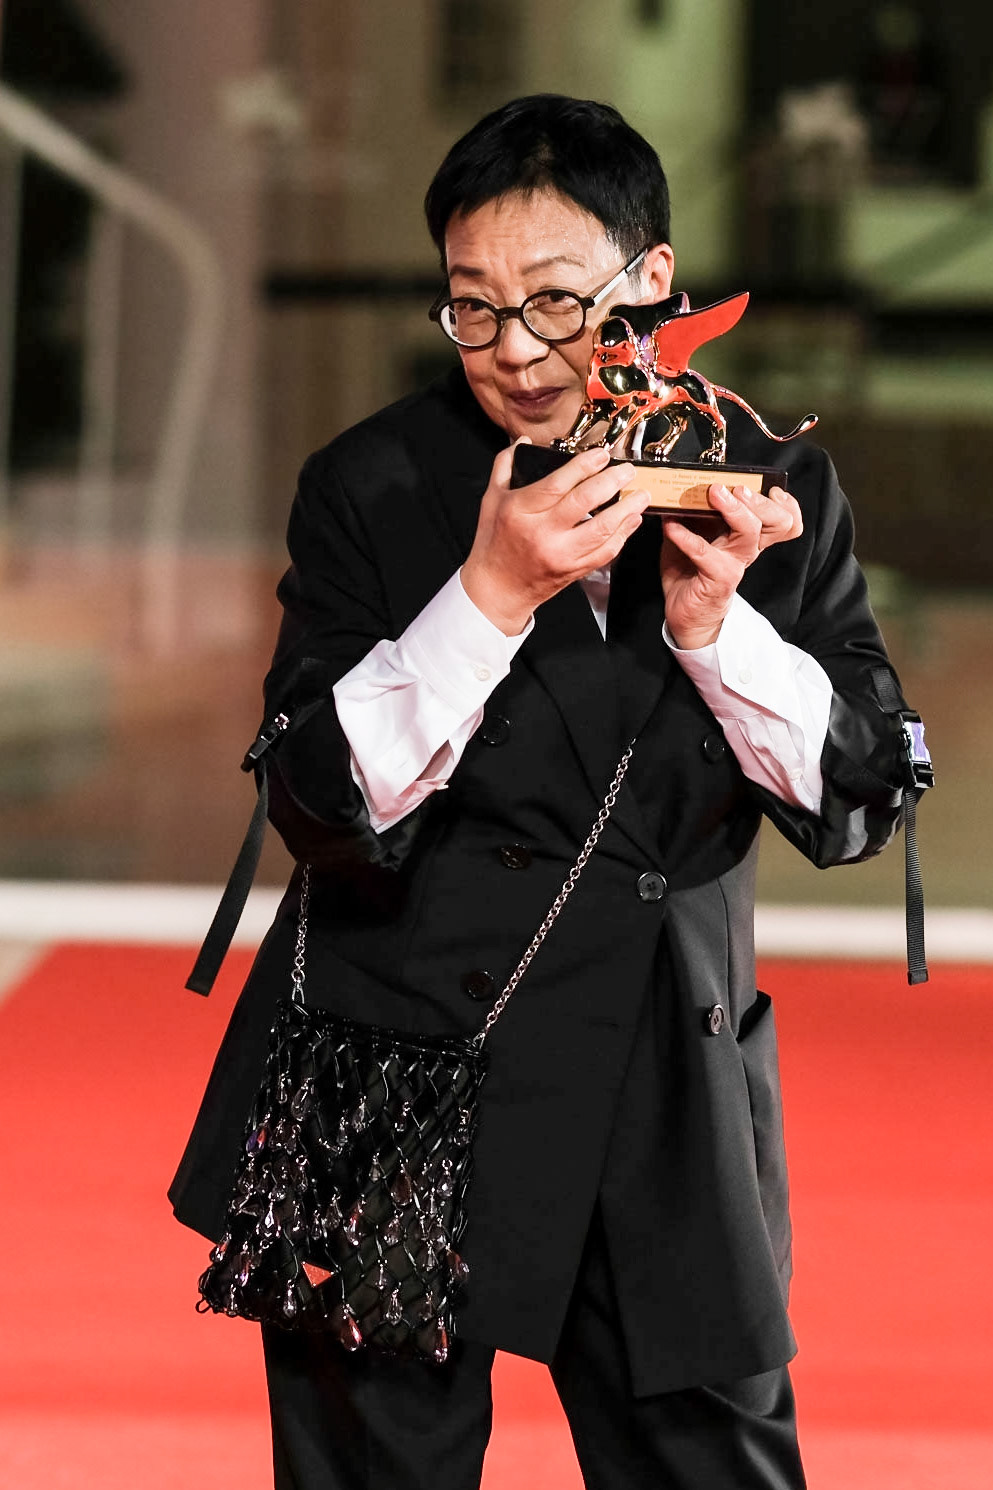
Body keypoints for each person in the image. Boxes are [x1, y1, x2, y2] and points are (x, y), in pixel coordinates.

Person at [171, 94, 923, 1490]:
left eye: (557, 302)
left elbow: (861, 798)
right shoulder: (373, 484)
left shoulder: (770, 488)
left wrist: (716, 629)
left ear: (653, 284)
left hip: (664, 1084)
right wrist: (489, 595)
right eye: (472, 307)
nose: (514, 349)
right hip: (387, 1069)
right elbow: (322, 800)